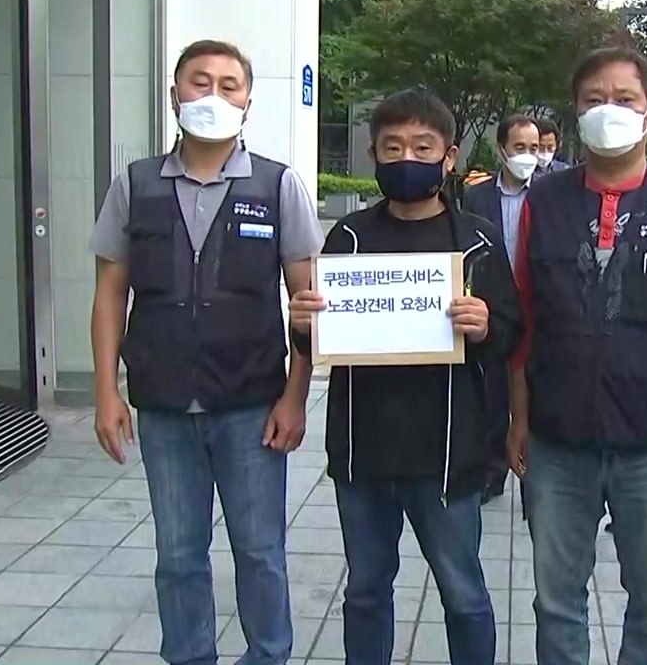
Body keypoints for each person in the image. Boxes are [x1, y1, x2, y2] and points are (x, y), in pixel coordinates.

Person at [89, 39, 324, 665]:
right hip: (163, 405)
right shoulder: (134, 185)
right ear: (174, 95)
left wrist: (295, 397)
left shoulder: (279, 186)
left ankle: (269, 655)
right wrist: (106, 391)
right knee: (179, 555)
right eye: (199, 81)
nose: (212, 95)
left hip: (250, 403)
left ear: (248, 101)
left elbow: (308, 303)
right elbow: (110, 294)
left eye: (228, 84)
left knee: (260, 552)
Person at [506, 47, 647, 665]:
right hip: (559, 442)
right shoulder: (544, 201)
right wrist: (519, 418)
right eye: (593, 100)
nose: (608, 111)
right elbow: (526, 318)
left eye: (624, 99)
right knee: (556, 604)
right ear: (575, 114)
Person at [288, 87, 522, 665]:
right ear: (373, 155)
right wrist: (301, 322)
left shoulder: (476, 242)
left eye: (422, 146)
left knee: (463, 594)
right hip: (361, 452)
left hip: (448, 453)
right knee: (366, 592)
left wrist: (487, 323)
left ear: (448, 157)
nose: (407, 158)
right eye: (392, 147)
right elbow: (316, 336)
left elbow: (512, 336)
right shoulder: (348, 238)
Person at [463, 114, 540, 503]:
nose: (528, 156)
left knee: (529, 386)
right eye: (520, 148)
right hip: (492, 306)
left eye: (534, 148)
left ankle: (530, 461)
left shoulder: (548, 194)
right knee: (492, 391)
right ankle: (493, 470)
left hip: (536, 304)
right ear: (502, 150)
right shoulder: (476, 197)